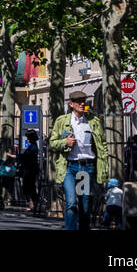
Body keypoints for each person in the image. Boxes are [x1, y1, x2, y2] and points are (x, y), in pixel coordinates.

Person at [47, 90, 108, 230]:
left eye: (84, 101)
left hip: (86, 169)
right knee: (71, 203)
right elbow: (52, 143)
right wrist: (65, 142)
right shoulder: (62, 121)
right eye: (79, 101)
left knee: (85, 205)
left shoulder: (92, 121)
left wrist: (103, 167)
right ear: (71, 104)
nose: (82, 104)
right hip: (70, 167)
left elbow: (102, 144)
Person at [19, 129, 40, 212]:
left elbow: (26, 157)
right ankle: (33, 204)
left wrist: (16, 157)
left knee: (28, 187)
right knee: (30, 187)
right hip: (30, 169)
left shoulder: (33, 147)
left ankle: (33, 204)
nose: (27, 139)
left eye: (28, 137)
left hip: (30, 170)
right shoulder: (33, 146)